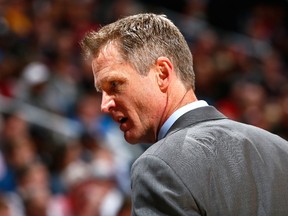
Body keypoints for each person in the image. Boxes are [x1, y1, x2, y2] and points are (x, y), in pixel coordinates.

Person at [80, 13, 288, 215]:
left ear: (162, 73)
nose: (104, 105)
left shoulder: (158, 166)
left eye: (115, 84)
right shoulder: (280, 148)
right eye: (101, 92)